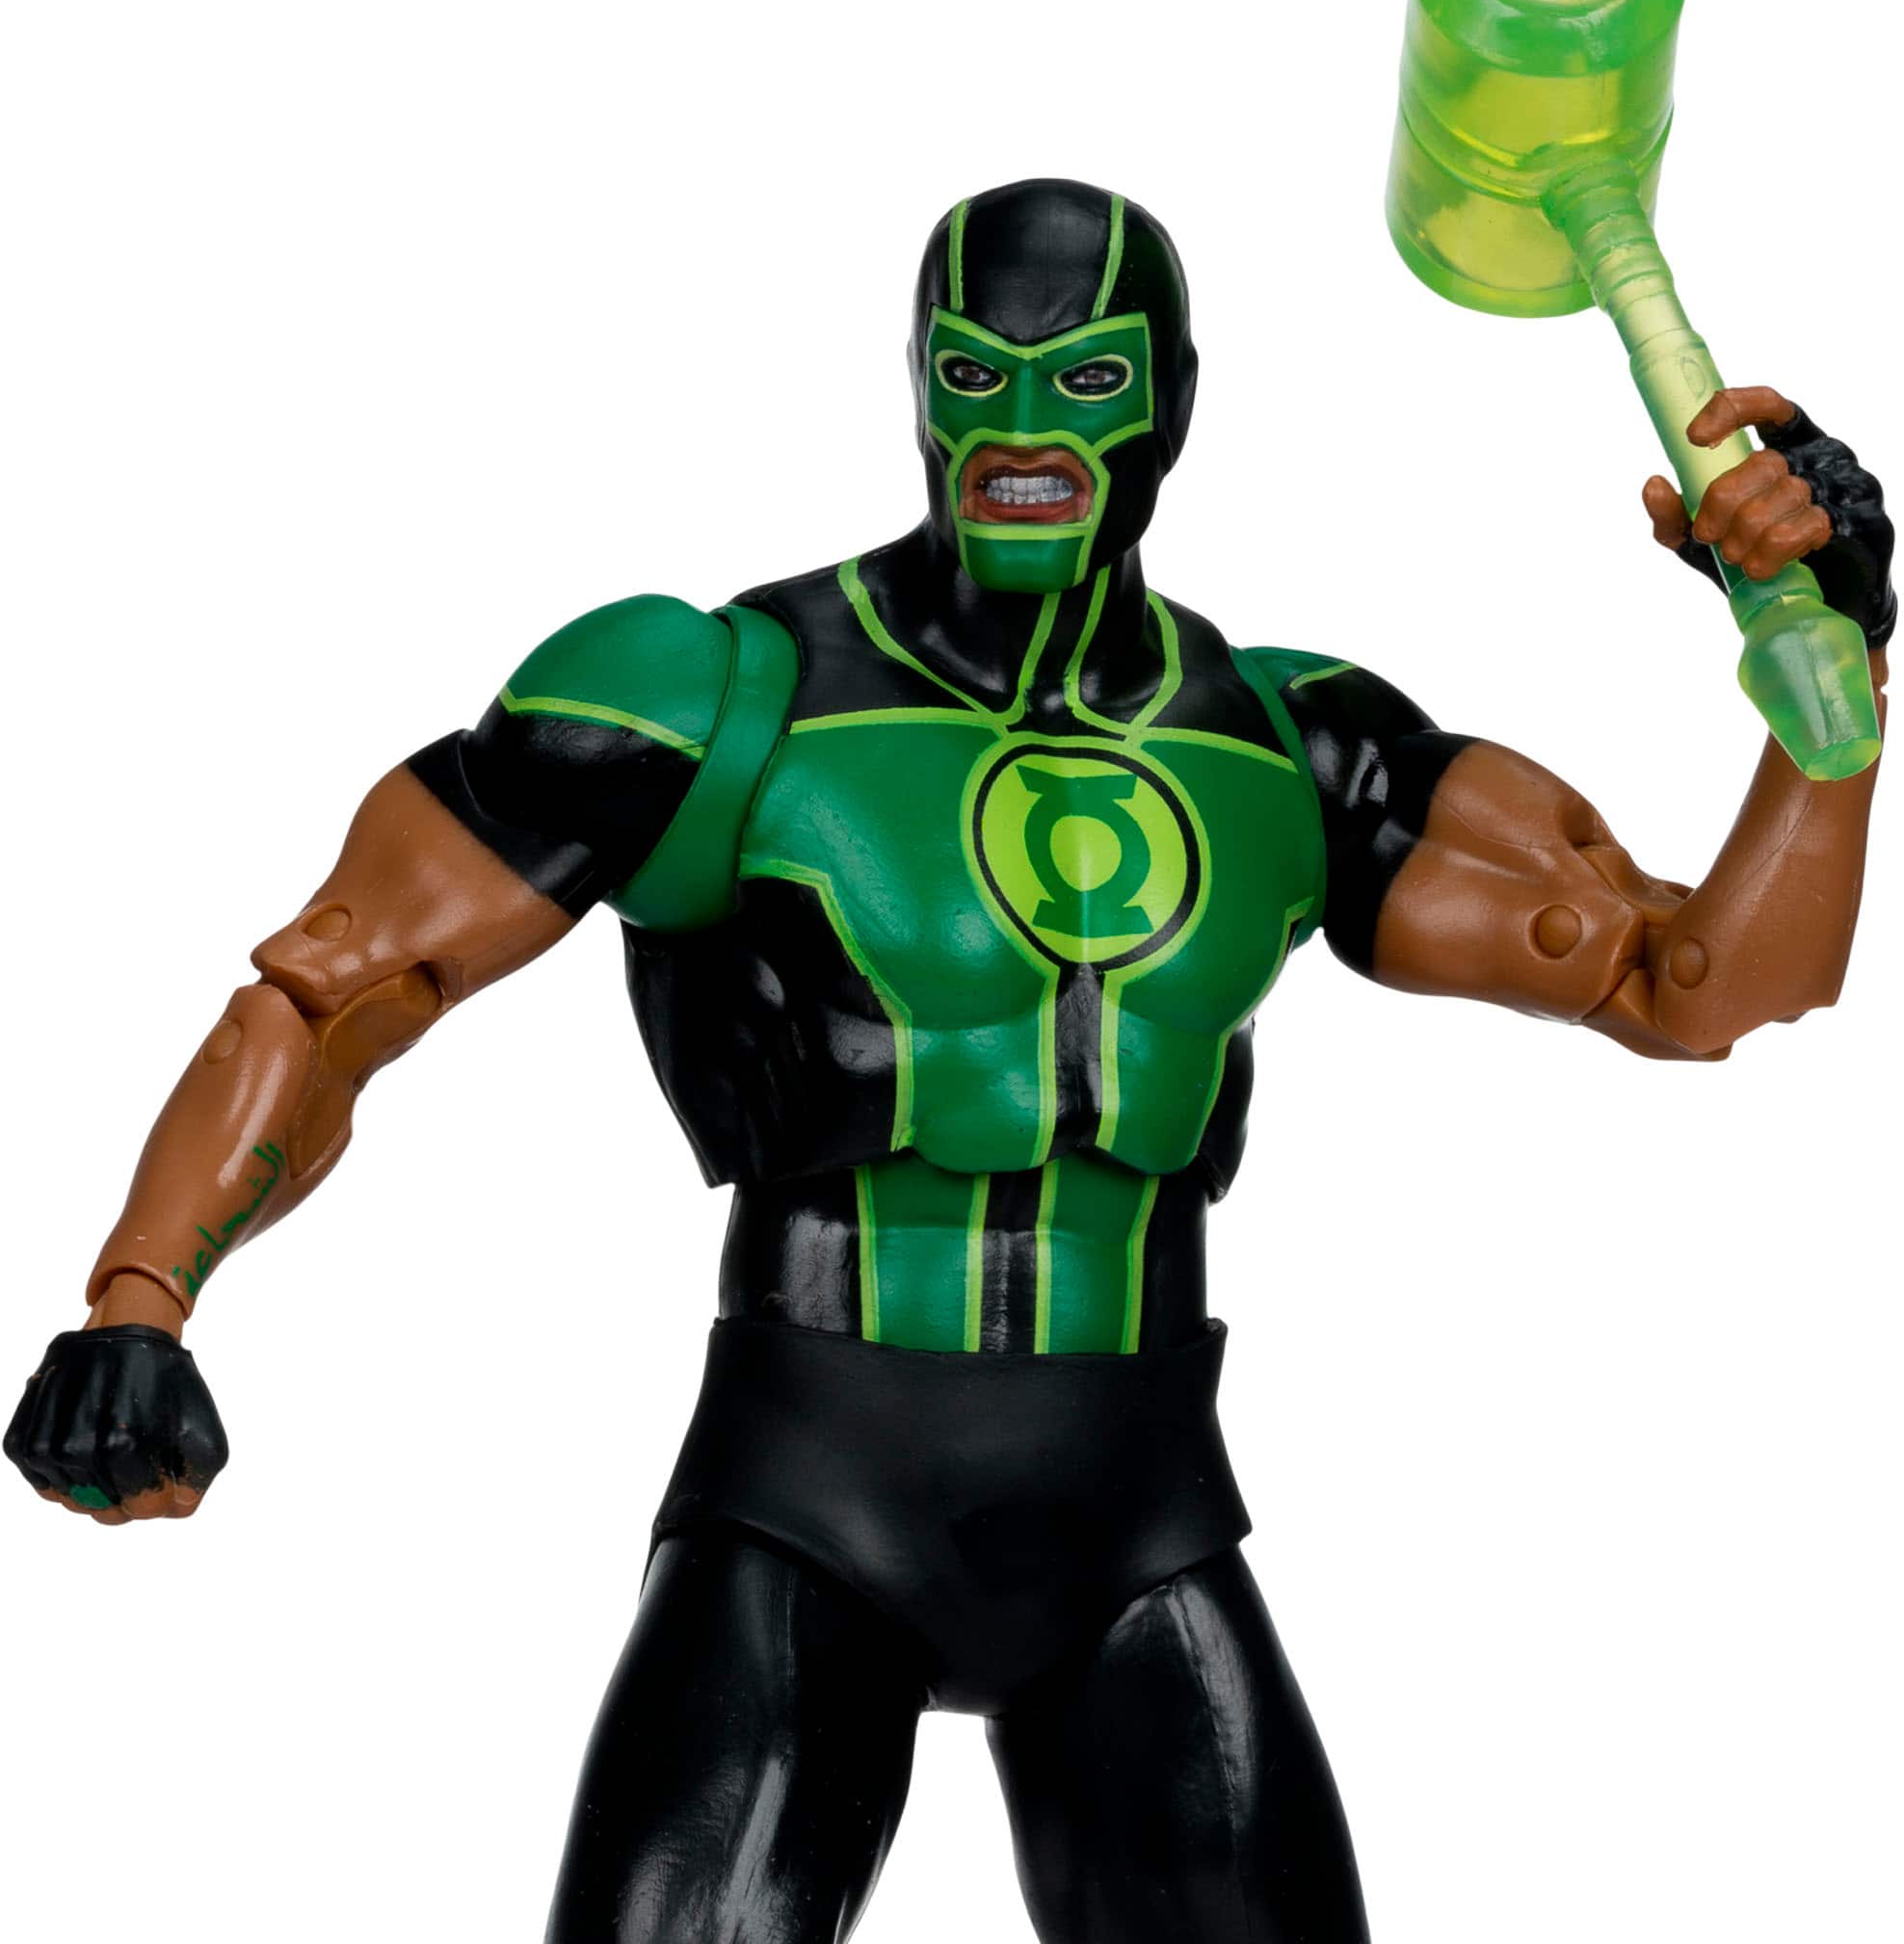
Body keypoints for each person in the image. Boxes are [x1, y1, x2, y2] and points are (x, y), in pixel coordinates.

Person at [7, 179, 1891, 1944]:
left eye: (1087, 382)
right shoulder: (720, 691)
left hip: (1135, 1506)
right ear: (917, 383)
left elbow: (1696, 986)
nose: (1023, 429)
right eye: (978, 378)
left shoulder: (1290, 742)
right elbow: (338, 991)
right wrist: (139, 1301)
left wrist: (1828, 683)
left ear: (1171, 406)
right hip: (807, 1492)